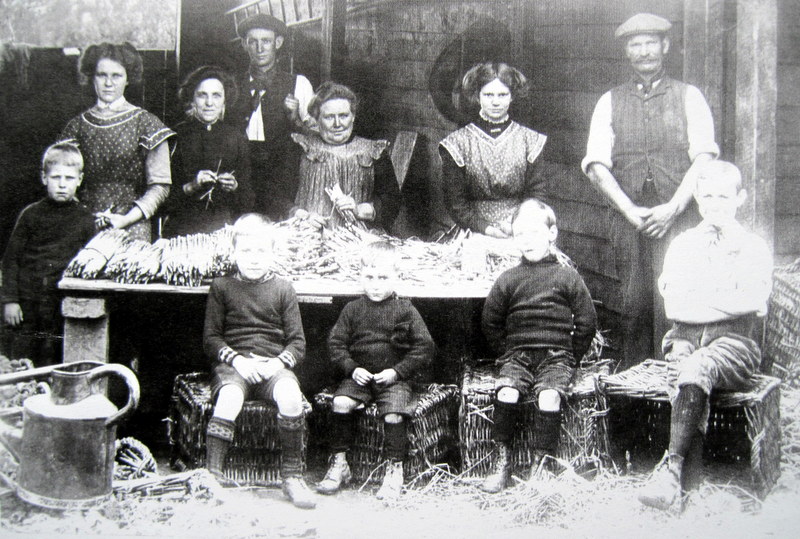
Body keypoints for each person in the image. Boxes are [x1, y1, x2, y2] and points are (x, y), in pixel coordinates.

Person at [582, 13, 719, 368]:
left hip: (678, 214)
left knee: (672, 302)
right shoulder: (609, 101)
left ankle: (671, 385)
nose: (643, 52)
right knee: (634, 303)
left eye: (650, 43)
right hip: (629, 218)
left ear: (665, 47)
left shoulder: (690, 97)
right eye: (635, 44)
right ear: (627, 51)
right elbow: (596, 165)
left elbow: (703, 158)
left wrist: (673, 207)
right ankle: (633, 391)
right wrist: (631, 212)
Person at [638, 161, 772, 511]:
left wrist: (700, 298)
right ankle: (688, 490)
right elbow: (674, 307)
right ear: (697, 197)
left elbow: (754, 301)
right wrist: (724, 298)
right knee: (684, 377)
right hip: (683, 337)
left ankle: (672, 472)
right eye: (708, 195)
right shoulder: (682, 244)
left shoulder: (755, 247)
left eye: (724, 196)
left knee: (696, 368)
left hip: (736, 344)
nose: (715, 204)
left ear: (740, 198)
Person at [480, 199, 597, 493]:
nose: (526, 240)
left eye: (533, 232)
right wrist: (505, 354)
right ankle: (503, 462)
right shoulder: (508, 279)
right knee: (506, 392)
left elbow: (586, 322)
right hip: (517, 356)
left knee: (548, 397)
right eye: (519, 234)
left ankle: (541, 464)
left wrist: (571, 357)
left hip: (556, 357)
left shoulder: (567, 277)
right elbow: (490, 322)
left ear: (552, 233)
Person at [203, 214, 315, 509]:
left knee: (291, 397)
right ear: (234, 252)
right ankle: (212, 477)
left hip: (271, 366)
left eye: (261, 251)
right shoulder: (222, 287)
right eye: (246, 251)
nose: (254, 259)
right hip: (234, 367)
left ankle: (292, 476)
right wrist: (238, 361)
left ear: (273, 252)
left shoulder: (283, 289)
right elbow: (211, 339)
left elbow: (297, 343)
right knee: (228, 399)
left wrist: (277, 364)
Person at [319, 241, 435, 500]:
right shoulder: (352, 310)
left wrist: (397, 372)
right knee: (340, 402)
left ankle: (395, 470)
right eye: (369, 277)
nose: (375, 284)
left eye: (383, 277)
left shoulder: (405, 309)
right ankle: (340, 464)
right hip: (360, 377)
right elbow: (335, 343)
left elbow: (424, 347)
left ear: (397, 277)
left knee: (394, 414)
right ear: (360, 276)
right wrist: (352, 368)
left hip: (393, 379)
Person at [60, 42, 175, 241]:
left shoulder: (147, 124)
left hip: (132, 226)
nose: (108, 83)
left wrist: (126, 219)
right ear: (92, 77)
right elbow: (61, 179)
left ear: (128, 79)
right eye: (102, 75)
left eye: (116, 76)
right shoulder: (75, 127)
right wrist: (84, 216)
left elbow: (160, 186)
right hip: (85, 225)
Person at [1, 142, 96, 365]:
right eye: (56, 178)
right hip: (27, 304)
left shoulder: (85, 219)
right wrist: (10, 301)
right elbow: (11, 260)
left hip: (60, 304)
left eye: (69, 178)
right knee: (22, 359)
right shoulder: (30, 215)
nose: (62, 185)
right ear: (44, 178)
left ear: (79, 180)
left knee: (54, 357)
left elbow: (89, 263)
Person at [439, 62, 547, 239]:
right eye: (488, 95)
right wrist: (487, 229)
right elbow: (456, 204)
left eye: (503, 94)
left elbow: (537, 193)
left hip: (521, 229)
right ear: (477, 96)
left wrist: (518, 224)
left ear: (512, 97)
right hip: (474, 231)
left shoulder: (530, 141)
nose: (496, 102)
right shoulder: (457, 144)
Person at [229, 13, 314, 220]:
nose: (260, 48)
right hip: (242, 173)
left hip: (282, 174)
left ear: (278, 42)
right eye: (253, 42)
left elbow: (314, 136)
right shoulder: (231, 85)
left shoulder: (298, 84)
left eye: (266, 41)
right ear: (244, 44)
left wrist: (294, 119)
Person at [291, 82, 400, 230]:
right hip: (308, 235)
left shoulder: (374, 152)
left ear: (353, 117)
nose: (338, 124)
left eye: (343, 116)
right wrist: (303, 216)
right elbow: (276, 197)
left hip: (359, 238)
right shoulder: (301, 148)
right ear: (316, 119)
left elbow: (392, 201)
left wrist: (360, 209)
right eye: (329, 117)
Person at [164, 66, 253, 237]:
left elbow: (248, 200)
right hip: (182, 230)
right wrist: (191, 186)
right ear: (192, 99)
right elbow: (162, 200)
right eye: (202, 95)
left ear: (225, 101)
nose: (209, 103)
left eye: (216, 96)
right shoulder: (175, 137)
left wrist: (235, 186)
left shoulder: (237, 137)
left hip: (224, 230)